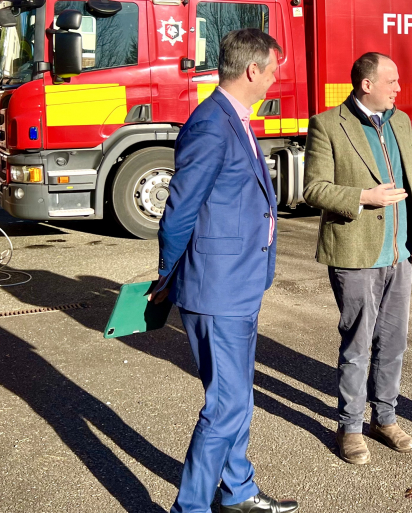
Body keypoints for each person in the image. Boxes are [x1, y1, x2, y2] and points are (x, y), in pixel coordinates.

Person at [150, 29, 299, 513]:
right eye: (274, 68)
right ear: (253, 70)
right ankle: (190, 507)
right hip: (217, 290)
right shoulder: (211, 123)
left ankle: (238, 492)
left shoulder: (234, 118)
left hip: (239, 283)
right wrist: (168, 279)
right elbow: (178, 213)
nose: (277, 76)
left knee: (235, 397)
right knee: (226, 405)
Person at [303, 52, 412, 465]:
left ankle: (385, 418)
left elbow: (411, 178)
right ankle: (350, 426)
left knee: (394, 343)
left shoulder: (402, 121)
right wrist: (363, 197)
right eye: (391, 81)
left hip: (399, 253)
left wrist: (411, 236)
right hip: (355, 253)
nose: (398, 88)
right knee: (357, 344)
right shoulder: (328, 124)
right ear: (366, 84)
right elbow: (314, 188)